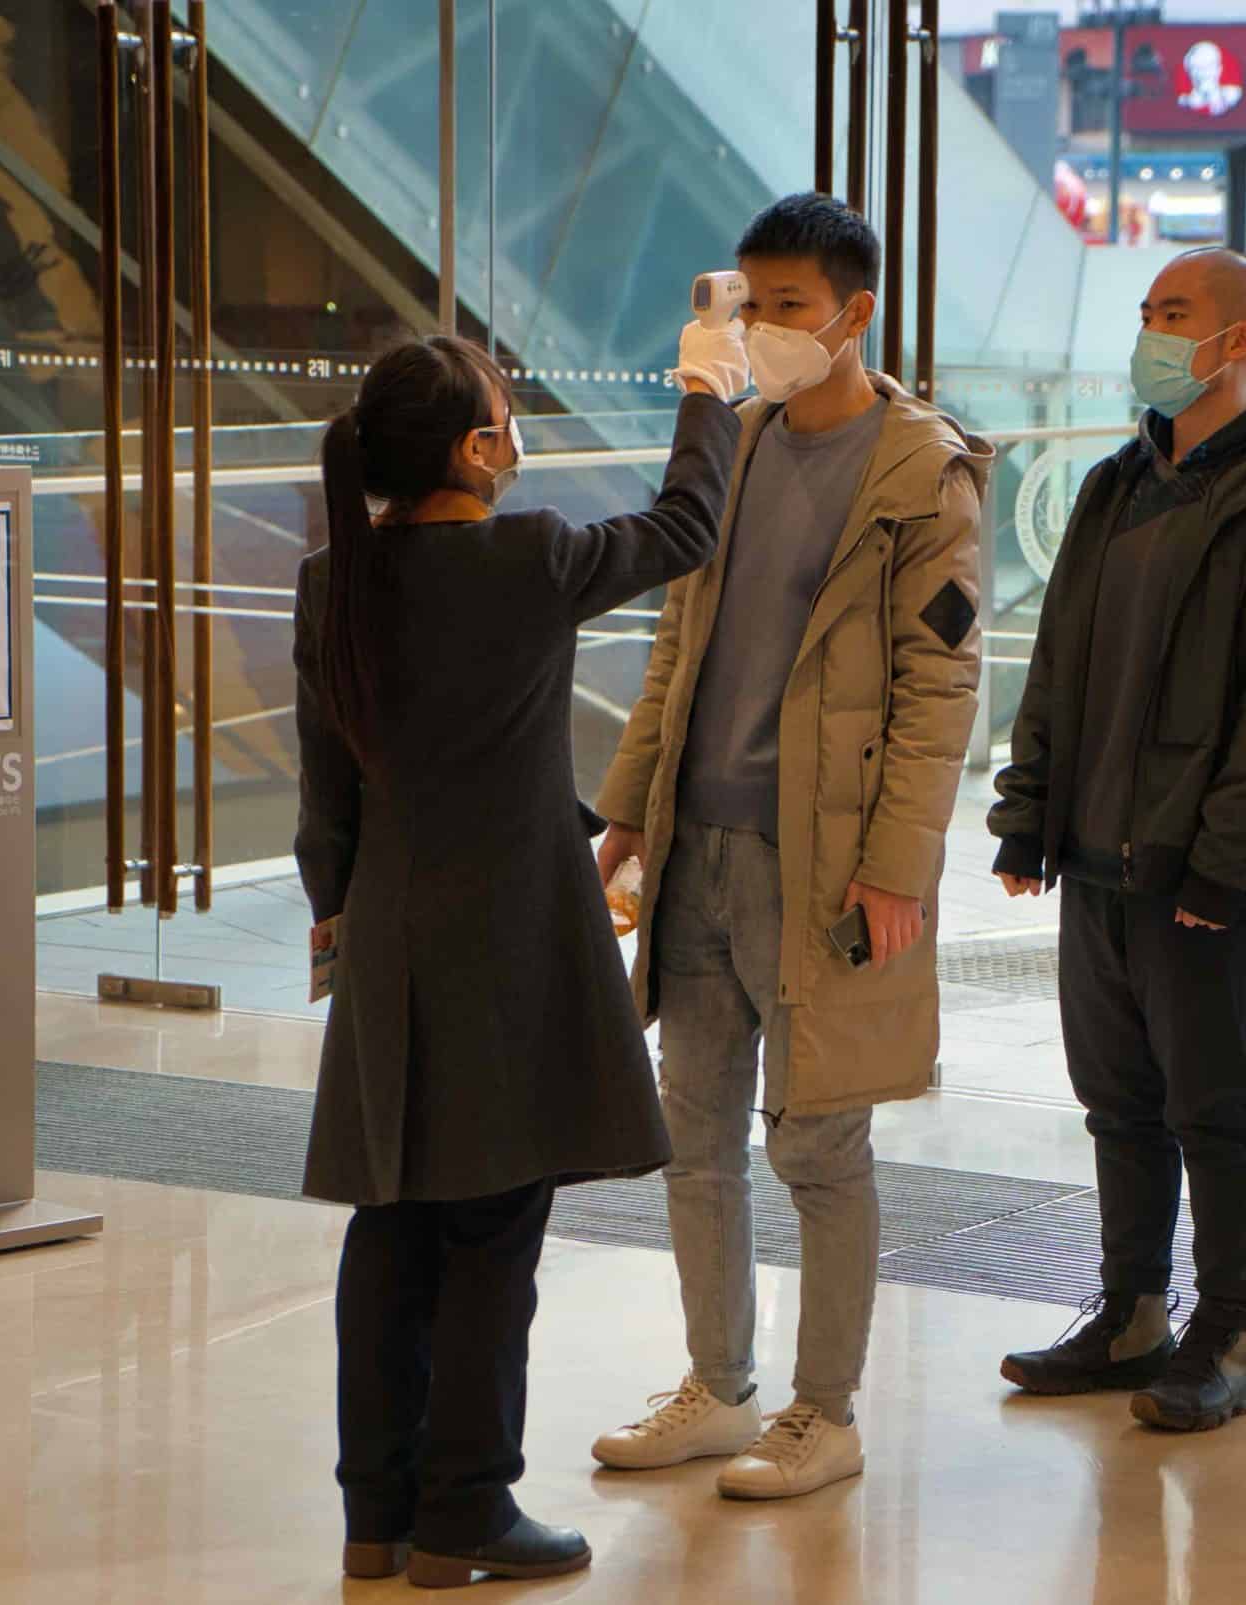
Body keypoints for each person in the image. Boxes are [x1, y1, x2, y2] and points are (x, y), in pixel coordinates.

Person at [293, 329, 745, 1586]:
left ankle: (375, 1519)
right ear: (474, 448)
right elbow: (686, 525)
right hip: (507, 946)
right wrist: (707, 393)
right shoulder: (529, 558)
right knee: (493, 1231)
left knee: (391, 1229)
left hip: (385, 937)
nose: (514, 429)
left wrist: (338, 912)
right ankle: (467, 1514)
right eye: (501, 411)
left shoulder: (334, 580)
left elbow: (325, 797)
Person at [588, 193, 990, 1501]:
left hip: (822, 861)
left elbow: (943, 685)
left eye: (788, 307)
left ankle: (826, 1412)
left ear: (856, 313)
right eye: (747, 304)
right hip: (700, 841)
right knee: (692, 1129)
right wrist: (631, 803)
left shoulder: (923, 470)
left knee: (818, 1145)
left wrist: (899, 866)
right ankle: (721, 1383)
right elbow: (677, 639)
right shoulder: (739, 445)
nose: (761, 330)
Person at [990, 247, 1246, 1433]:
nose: (1149, 332)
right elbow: (1055, 665)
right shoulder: (1113, 486)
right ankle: (1131, 1311)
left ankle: (1227, 1334)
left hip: (1195, 871)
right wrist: (1028, 816)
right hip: (1096, 856)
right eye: (1146, 313)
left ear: (1238, 340)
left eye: (1174, 314)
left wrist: (1225, 864)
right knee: (1117, 1103)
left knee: (1210, 1106)